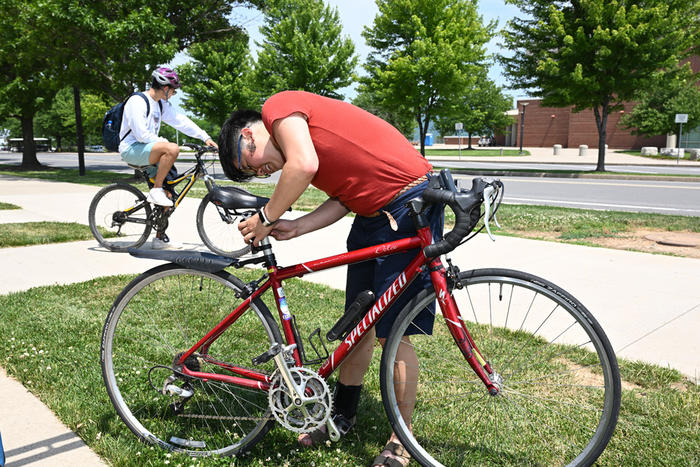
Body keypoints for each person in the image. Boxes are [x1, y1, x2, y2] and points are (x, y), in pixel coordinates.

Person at [218, 90, 443, 467]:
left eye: (249, 164)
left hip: (408, 204)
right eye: (251, 175)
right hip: (374, 214)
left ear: (248, 134)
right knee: (360, 324)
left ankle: (401, 442)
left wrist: (267, 218)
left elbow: (302, 167)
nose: (260, 173)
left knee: (394, 332)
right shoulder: (302, 144)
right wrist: (296, 226)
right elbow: (342, 197)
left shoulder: (278, 109)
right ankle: (342, 414)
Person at [119, 66, 218, 249]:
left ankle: (159, 238)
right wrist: (166, 144)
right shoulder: (137, 101)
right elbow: (141, 134)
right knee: (171, 150)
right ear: (165, 87)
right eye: (173, 90)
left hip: (150, 151)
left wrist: (205, 137)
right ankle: (156, 189)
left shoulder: (160, 104)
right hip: (132, 149)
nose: (173, 93)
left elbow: (181, 121)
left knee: (169, 194)